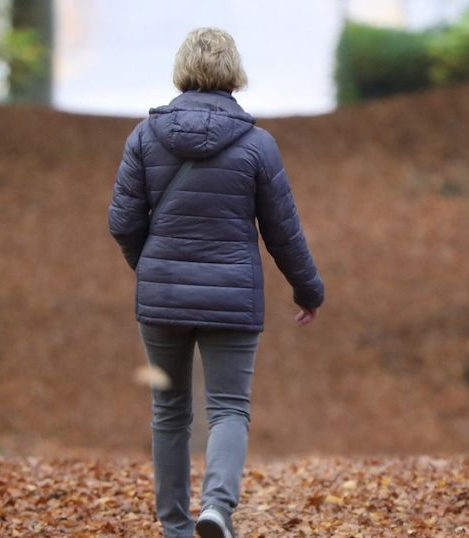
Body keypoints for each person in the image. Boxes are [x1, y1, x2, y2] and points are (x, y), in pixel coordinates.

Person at [109, 27, 324, 538]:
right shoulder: (257, 145)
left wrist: (152, 265)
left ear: (183, 69)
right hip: (232, 296)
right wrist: (308, 289)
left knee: (169, 410)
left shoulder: (144, 136)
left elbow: (122, 221)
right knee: (228, 407)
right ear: (234, 71)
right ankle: (216, 509)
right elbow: (283, 231)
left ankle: (176, 527)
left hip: (161, 296)